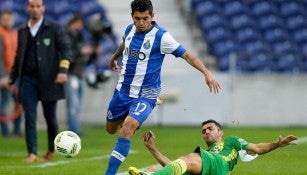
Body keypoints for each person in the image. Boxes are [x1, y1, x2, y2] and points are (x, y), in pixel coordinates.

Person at [105, 0, 221, 174]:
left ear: (152, 16)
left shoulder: (162, 37)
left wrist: (207, 72)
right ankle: (134, 117)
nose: (142, 23)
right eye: (138, 19)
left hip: (147, 93)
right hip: (123, 91)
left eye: (145, 18)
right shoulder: (129, 29)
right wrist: (114, 57)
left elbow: (188, 56)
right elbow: (124, 44)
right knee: (111, 129)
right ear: (132, 17)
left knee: (127, 128)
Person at [8, 0, 71, 162]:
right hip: (28, 80)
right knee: (29, 116)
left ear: (43, 8)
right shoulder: (22, 30)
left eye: (38, 6)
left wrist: (63, 70)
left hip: (50, 80)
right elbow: (18, 56)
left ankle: (51, 149)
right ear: (27, 8)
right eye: (31, 6)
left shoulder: (54, 27)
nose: (35, 9)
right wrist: (13, 77)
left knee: (50, 118)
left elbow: (66, 49)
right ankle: (32, 153)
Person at [128, 119, 298, 175]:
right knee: (155, 168)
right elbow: (174, 166)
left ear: (220, 132)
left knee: (189, 159)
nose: (206, 132)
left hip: (220, 166)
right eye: (203, 130)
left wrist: (277, 144)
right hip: (208, 167)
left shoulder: (231, 142)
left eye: (210, 128)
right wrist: (152, 148)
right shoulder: (205, 155)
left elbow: (257, 148)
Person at [65, 15, 92, 136]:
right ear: (74, 22)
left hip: (79, 74)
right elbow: (67, 54)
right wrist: (80, 52)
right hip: (71, 74)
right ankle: (73, 130)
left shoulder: (78, 36)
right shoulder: (67, 36)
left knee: (77, 104)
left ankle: (75, 128)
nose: (81, 26)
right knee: (73, 104)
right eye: (79, 23)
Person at [0, 10, 21, 137]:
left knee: (19, 103)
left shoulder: (14, 34)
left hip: (16, 74)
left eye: (10, 19)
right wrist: (3, 77)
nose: (8, 21)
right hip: (6, 75)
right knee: (4, 103)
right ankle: (6, 131)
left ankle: (17, 131)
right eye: (5, 19)